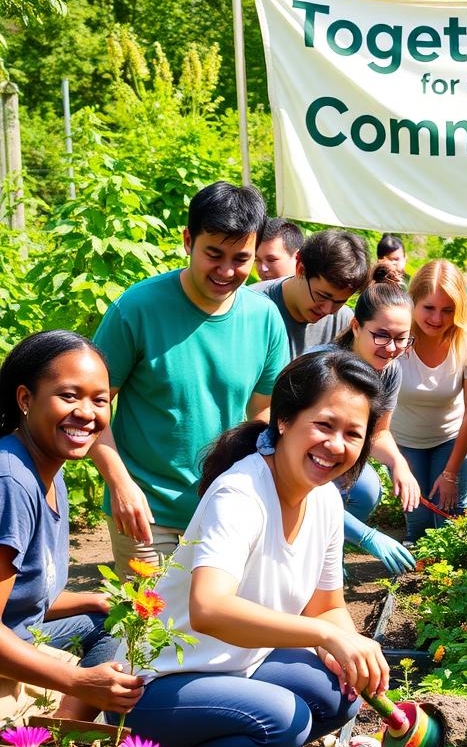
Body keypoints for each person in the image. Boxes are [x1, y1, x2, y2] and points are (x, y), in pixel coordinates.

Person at [122, 349, 390, 747]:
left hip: (231, 669)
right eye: (324, 425)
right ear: (285, 421)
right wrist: (326, 635)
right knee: (282, 719)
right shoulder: (241, 495)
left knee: (338, 692)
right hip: (154, 684)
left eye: (352, 434)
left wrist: (348, 645)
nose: (336, 445)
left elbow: (326, 605)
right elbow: (210, 608)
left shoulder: (327, 500)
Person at [91, 181, 289, 577]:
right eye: (213, 254)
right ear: (188, 241)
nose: (227, 271)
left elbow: (266, 409)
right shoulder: (138, 308)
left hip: (227, 508)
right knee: (150, 634)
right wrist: (120, 483)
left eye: (240, 259)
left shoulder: (263, 317)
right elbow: (90, 405)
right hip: (148, 513)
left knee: (221, 631)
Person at [0, 332, 144, 725]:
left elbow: (21, 598)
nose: (86, 412)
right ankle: (56, 743)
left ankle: (62, 731)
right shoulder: (11, 481)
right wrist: (77, 680)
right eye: (68, 396)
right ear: (25, 399)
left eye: (99, 400)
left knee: (114, 622)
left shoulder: (49, 468)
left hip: (19, 642)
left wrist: (90, 600)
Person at [326, 273, 418, 574]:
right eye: (381, 335)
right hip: (298, 460)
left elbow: (378, 432)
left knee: (366, 489)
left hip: (338, 457)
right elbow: (298, 458)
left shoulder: (389, 371)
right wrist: (366, 536)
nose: (392, 348)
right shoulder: (325, 369)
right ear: (356, 326)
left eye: (401, 338)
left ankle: (329, 545)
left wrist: (398, 464)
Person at [391, 261, 467, 541]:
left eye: (447, 310)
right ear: (412, 303)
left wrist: (450, 473)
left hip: (453, 436)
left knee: (450, 522)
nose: (437, 319)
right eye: (428, 308)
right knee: (419, 526)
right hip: (405, 439)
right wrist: (396, 462)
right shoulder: (396, 337)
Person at [256, 229, 370, 359]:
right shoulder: (254, 307)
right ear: (300, 269)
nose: (328, 310)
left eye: (339, 302)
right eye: (322, 296)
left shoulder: (344, 320)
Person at [255, 217, 304, 282]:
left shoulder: (315, 289)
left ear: (298, 258)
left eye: (271, 260)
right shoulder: (252, 290)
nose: (263, 269)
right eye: (257, 260)